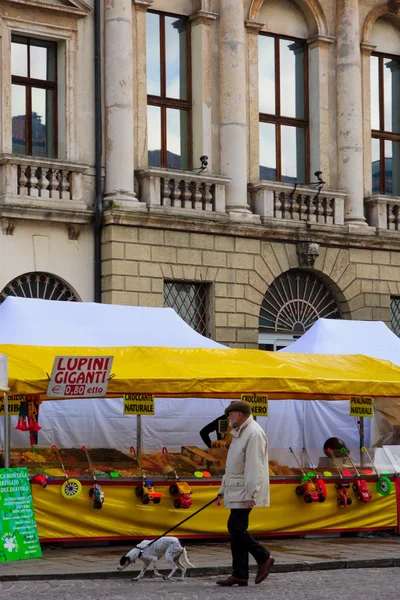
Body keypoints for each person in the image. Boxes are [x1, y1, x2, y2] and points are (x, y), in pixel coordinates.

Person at [216, 400, 274, 587]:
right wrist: (223, 489)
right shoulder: (241, 432)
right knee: (236, 531)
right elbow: (233, 465)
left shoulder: (253, 433)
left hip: (244, 489)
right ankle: (239, 574)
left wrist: (252, 493)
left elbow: (254, 467)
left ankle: (263, 556)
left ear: (239, 415)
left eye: (230, 415)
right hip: (237, 487)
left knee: (236, 527)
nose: (228, 418)